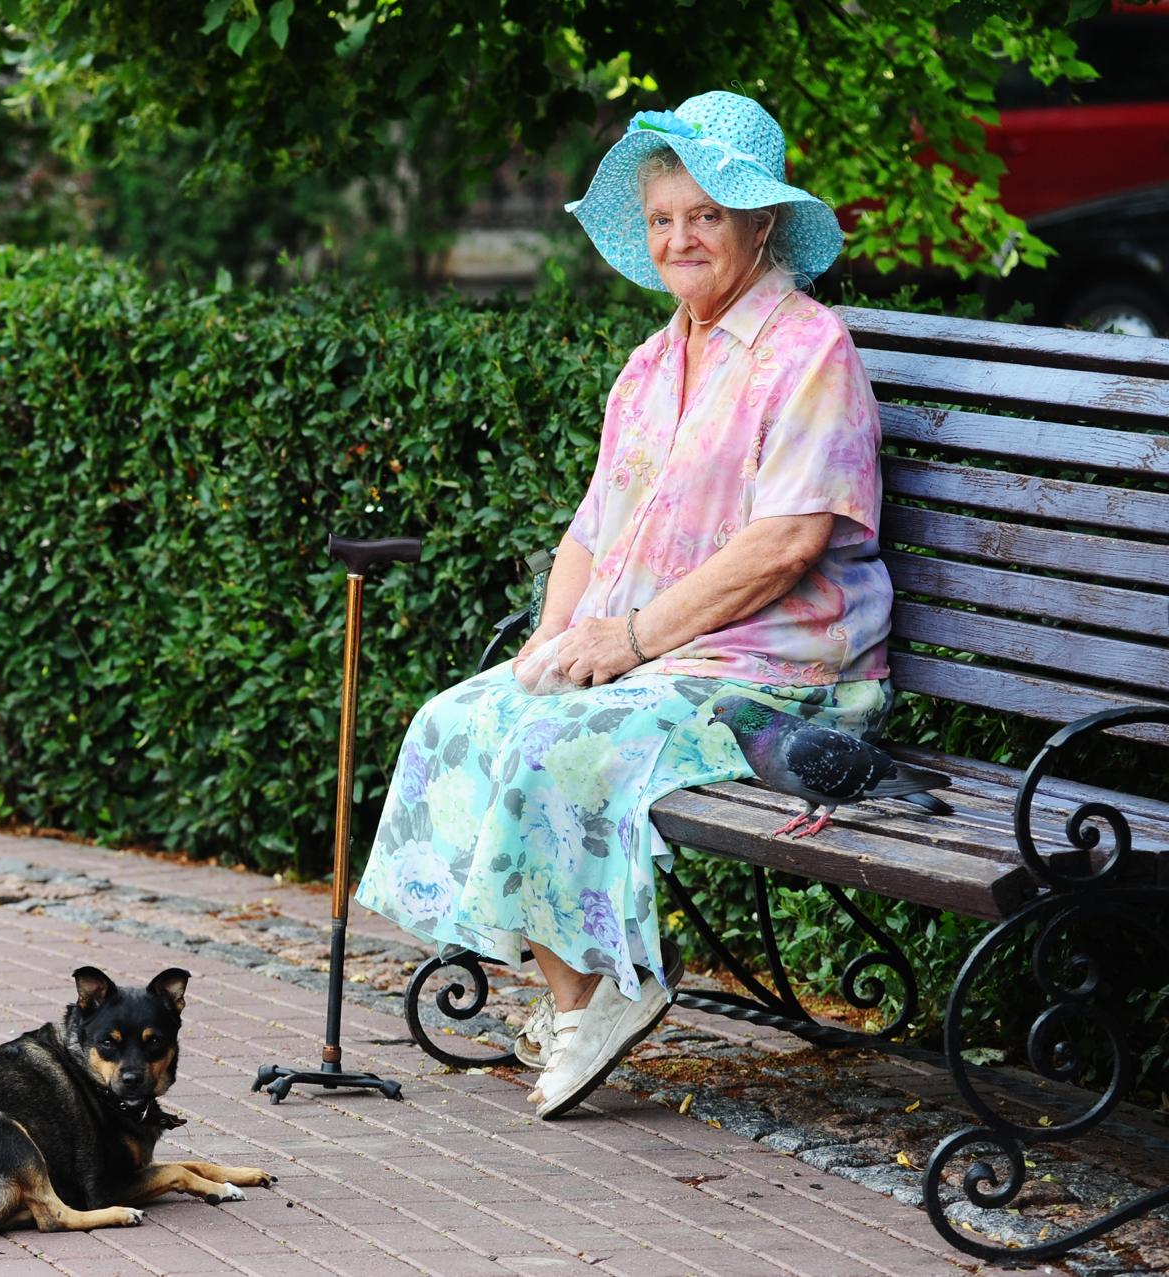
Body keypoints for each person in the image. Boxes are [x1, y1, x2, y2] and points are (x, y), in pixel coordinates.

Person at [354, 91, 893, 1120]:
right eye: (662, 219)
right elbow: (591, 531)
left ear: (759, 222)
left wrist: (629, 638)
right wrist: (557, 641)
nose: (680, 237)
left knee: (557, 739)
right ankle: (570, 983)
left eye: (705, 214)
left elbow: (788, 543)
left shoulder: (806, 348)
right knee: (463, 717)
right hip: (661, 662)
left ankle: (598, 995)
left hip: (787, 682)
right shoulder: (653, 361)